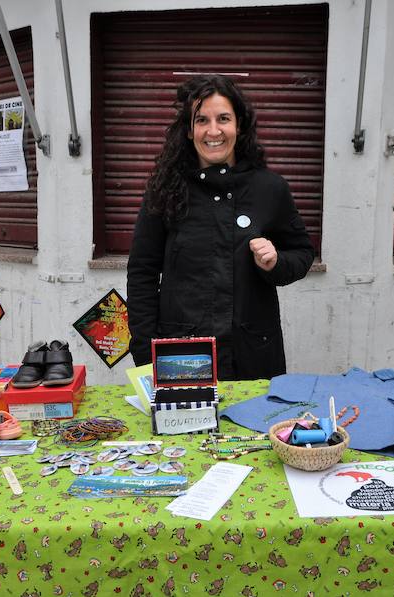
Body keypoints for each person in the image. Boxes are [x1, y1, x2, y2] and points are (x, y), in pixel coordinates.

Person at [127, 75, 315, 381]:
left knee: (252, 428)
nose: (213, 131)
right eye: (202, 120)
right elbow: (142, 273)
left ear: (238, 125)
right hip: (183, 356)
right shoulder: (166, 190)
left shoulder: (270, 188)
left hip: (254, 355)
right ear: (189, 130)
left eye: (223, 118)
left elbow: (303, 253)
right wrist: (147, 355)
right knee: (186, 431)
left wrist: (276, 262)